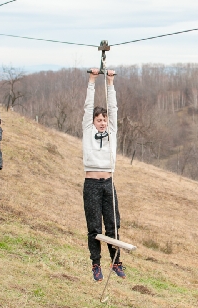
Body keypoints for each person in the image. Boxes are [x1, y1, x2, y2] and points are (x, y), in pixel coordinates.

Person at [82, 68, 126, 282]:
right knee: (94, 227)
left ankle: (116, 262)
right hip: (91, 184)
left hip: (108, 183)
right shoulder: (87, 130)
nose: (101, 121)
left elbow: (114, 108)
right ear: (93, 121)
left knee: (113, 224)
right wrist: (92, 80)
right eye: (98, 119)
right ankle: (96, 265)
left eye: (104, 118)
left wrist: (110, 83)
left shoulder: (112, 132)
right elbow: (88, 106)